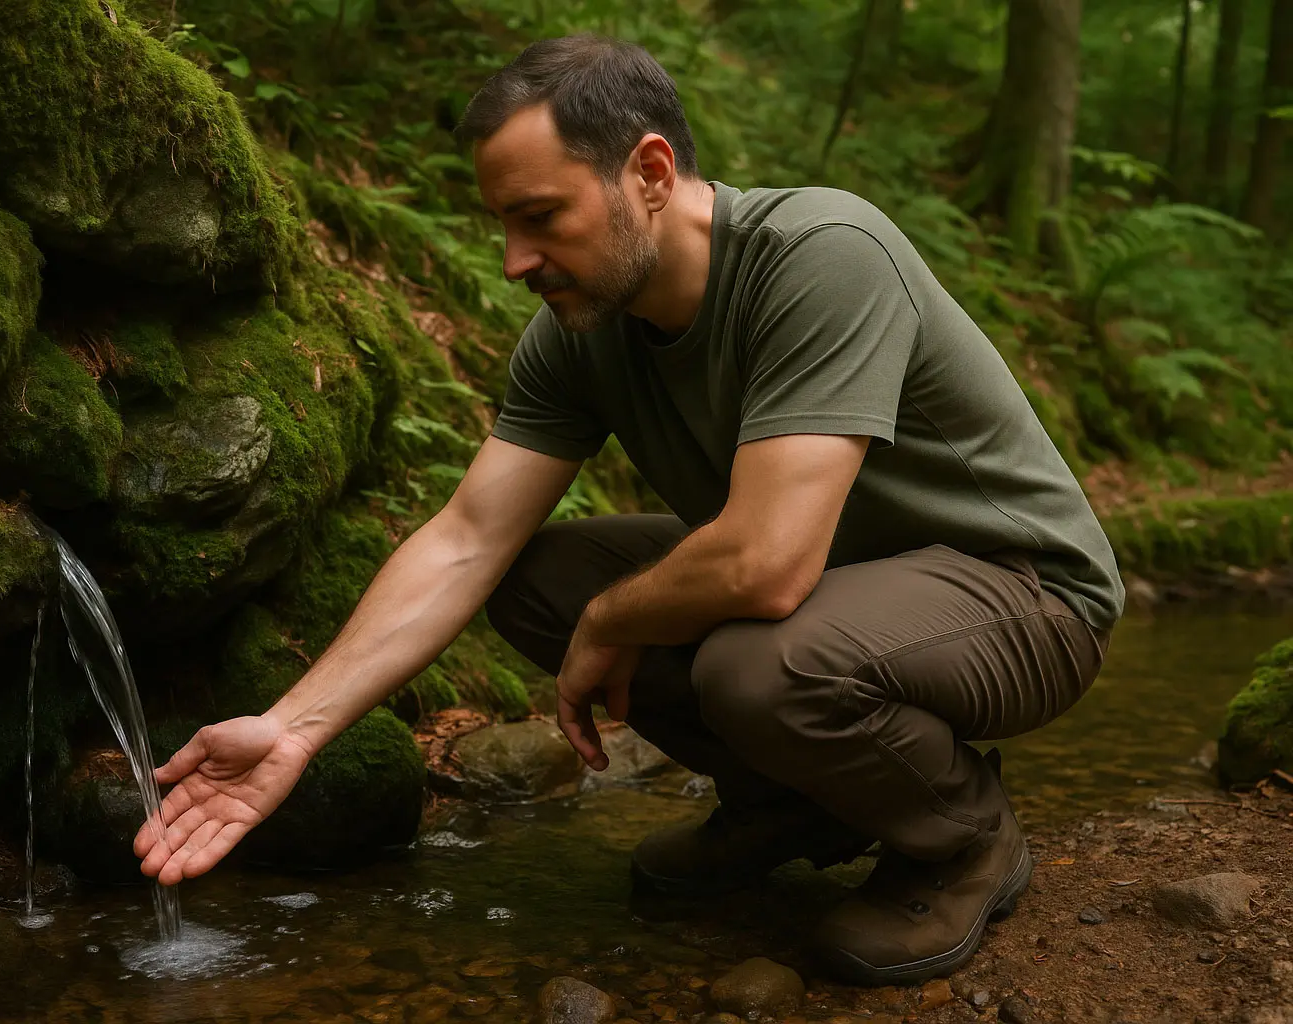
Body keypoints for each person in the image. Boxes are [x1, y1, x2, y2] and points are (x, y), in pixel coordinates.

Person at [133, 34, 1123, 984]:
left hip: (1026, 594)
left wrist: (614, 619)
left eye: (540, 216)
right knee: (538, 582)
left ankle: (965, 836)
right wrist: (293, 730)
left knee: (758, 664)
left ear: (649, 172)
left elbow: (768, 563)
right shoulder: (580, 332)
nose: (515, 260)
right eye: (503, 226)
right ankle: (795, 804)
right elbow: (467, 540)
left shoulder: (823, 253)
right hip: (847, 588)